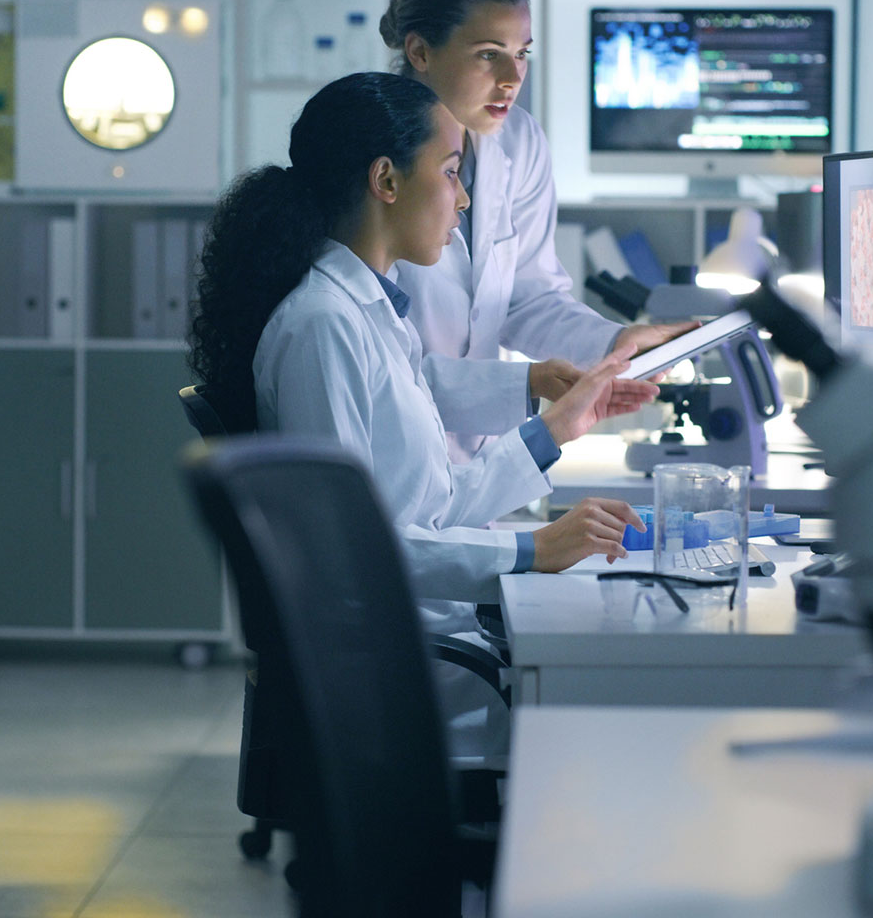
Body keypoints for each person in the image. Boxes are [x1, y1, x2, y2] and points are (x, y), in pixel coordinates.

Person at [189, 72, 654, 758]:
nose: (463, 200)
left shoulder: (369, 310)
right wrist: (533, 550)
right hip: (402, 668)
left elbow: (427, 504)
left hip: (430, 636)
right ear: (386, 180)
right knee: (625, 711)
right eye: (451, 171)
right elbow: (350, 553)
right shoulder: (322, 325)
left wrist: (557, 428)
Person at [380, 0, 697, 460]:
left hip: (472, 459)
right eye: (488, 53)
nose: (512, 77)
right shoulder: (372, 156)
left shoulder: (519, 142)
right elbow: (368, 361)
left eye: (522, 53)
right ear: (419, 51)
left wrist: (616, 343)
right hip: (386, 453)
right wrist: (527, 383)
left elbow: (529, 299)